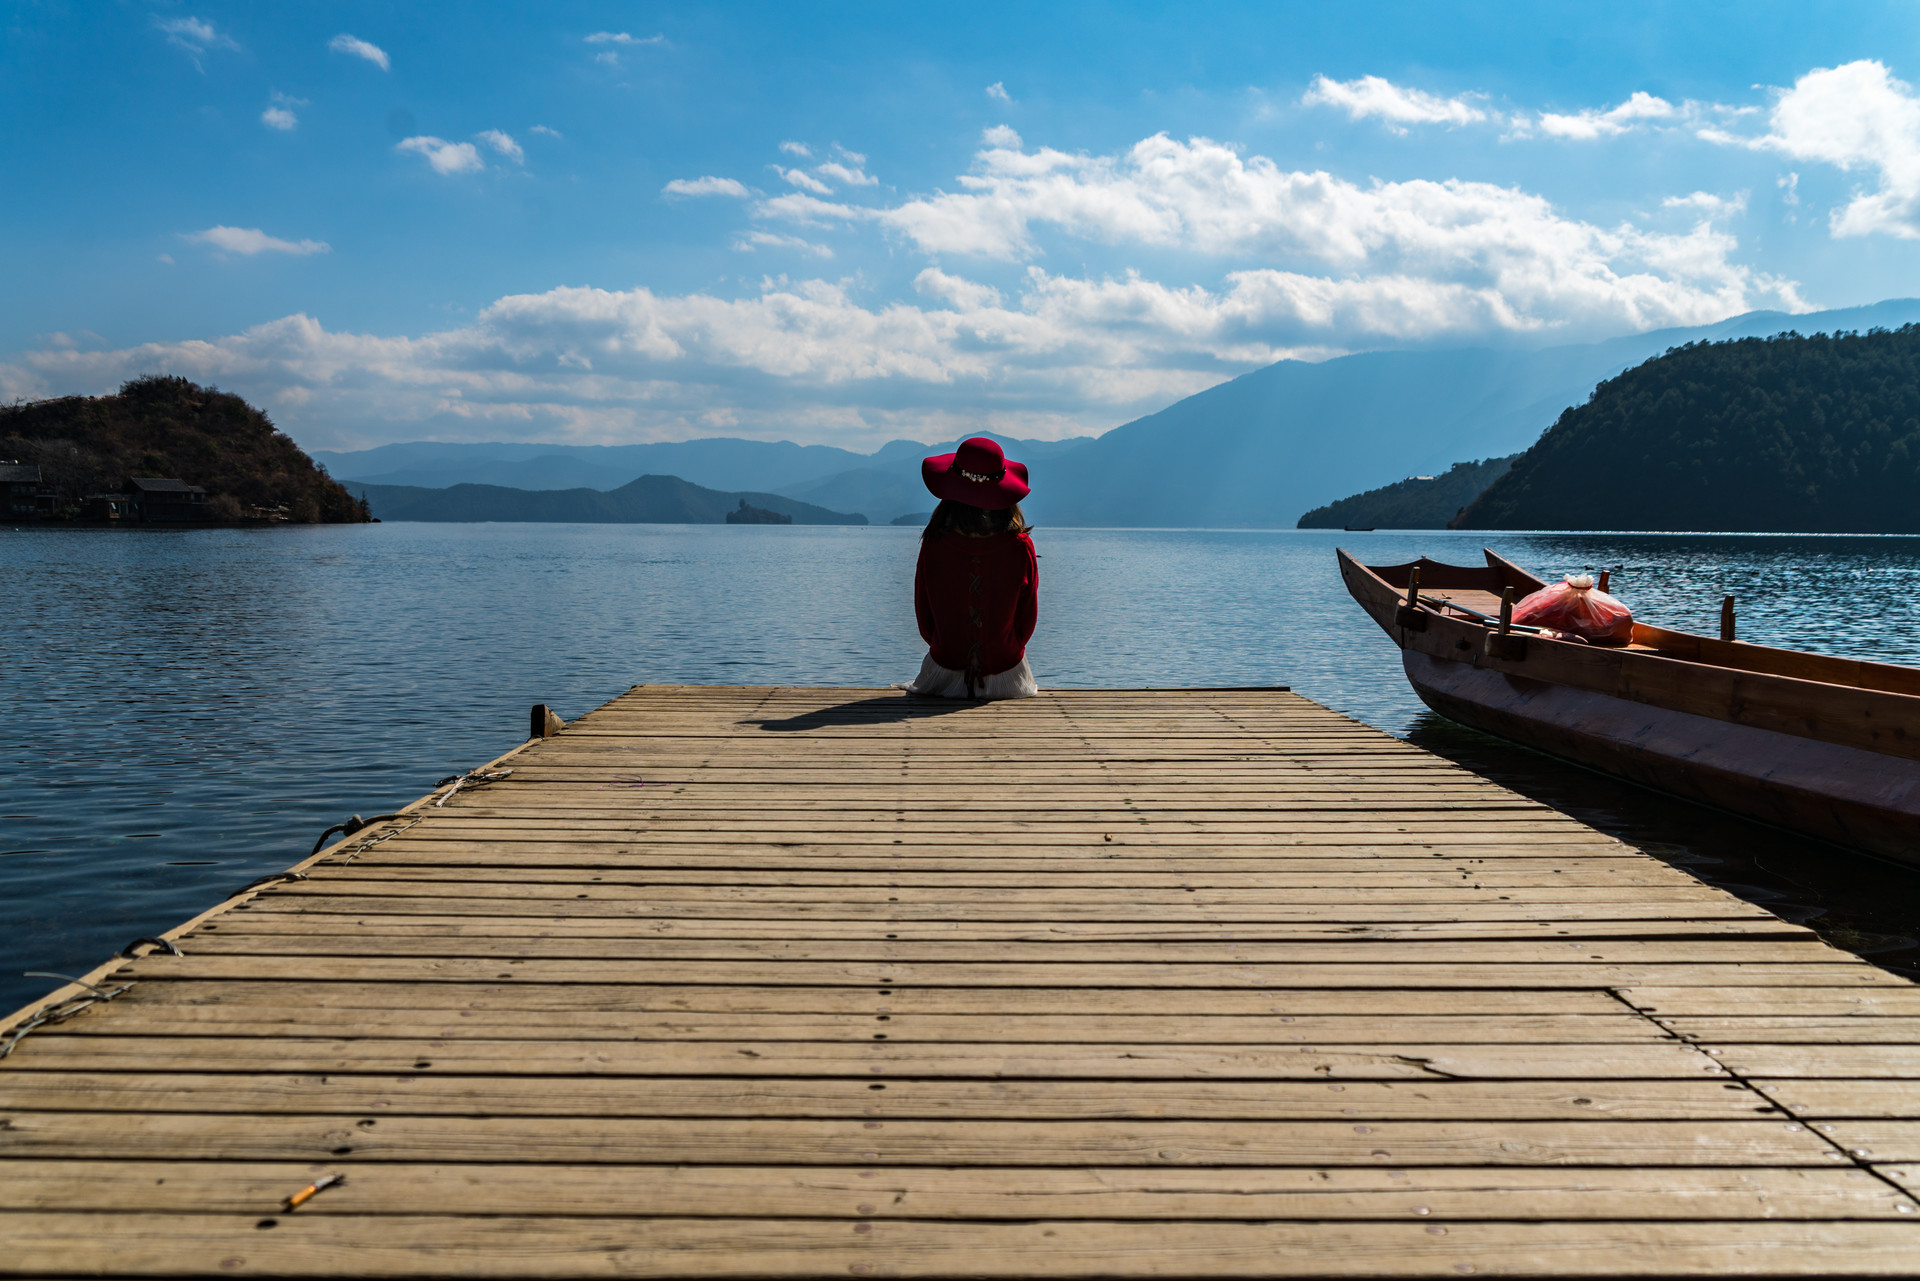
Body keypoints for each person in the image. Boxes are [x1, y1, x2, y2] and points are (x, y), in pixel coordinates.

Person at [904, 437, 1039, 699]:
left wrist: (947, 648)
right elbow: (1027, 622)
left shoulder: (935, 542)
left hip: (942, 672)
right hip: (1008, 675)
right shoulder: (1021, 546)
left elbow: (924, 618)